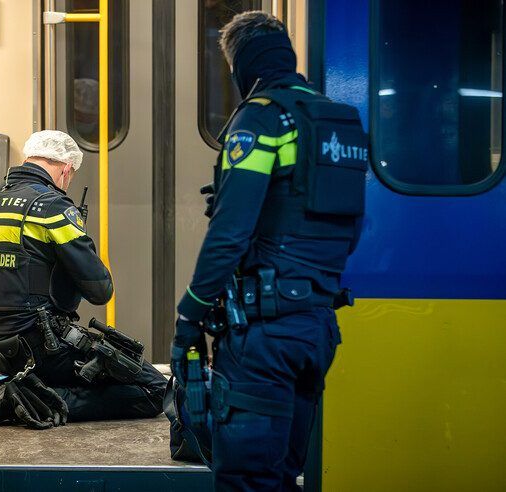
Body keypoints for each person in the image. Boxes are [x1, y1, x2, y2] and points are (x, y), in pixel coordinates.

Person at [169, 11, 367, 491]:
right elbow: (354, 229)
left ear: (243, 65)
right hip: (318, 330)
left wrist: (189, 316)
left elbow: (231, 232)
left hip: (264, 337)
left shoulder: (262, 118)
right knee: (283, 475)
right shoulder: (339, 123)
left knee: (247, 480)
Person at [0, 130, 166, 428]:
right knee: (154, 389)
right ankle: (19, 399)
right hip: (43, 347)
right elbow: (100, 290)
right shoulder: (53, 208)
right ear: (66, 169)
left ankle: (22, 389)